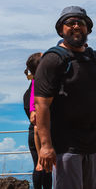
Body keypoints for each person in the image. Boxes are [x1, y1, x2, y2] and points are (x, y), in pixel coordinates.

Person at [34, 6, 96, 189]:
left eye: (81, 22)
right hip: (64, 145)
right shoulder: (52, 60)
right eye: (70, 23)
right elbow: (41, 105)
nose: (76, 26)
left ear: (88, 29)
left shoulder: (95, 60)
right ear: (60, 30)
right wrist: (45, 146)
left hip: (92, 144)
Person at [23, 53, 52, 189]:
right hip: (39, 130)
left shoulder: (31, 90)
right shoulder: (36, 89)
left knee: (42, 167)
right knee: (41, 167)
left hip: (38, 131)